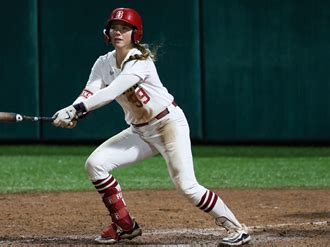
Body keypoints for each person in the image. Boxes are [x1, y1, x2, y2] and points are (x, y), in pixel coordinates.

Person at [52, 7, 251, 246]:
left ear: (135, 34)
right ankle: (125, 225)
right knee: (95, 164)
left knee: (187, 186)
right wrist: (71, 111)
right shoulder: (103, 63)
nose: (118, 32)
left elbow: (111, 91)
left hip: (168, 125)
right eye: (114, 27)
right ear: (107, 32)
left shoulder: (140, 60)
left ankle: (236, 228)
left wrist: (77, 110)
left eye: (125, 28)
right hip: (140, 131)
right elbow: (89, 92)